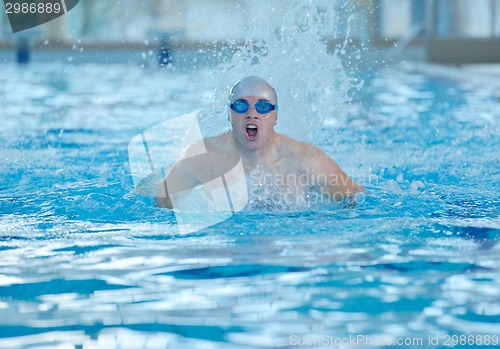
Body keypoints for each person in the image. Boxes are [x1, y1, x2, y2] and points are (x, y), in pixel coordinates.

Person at [154, 75, 363, 209]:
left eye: (263, 107)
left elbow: (356, 199)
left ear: (275, 117)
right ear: (230, 115)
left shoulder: (306, 161)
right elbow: (162, 202)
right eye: (241, 106)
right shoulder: (202, 157)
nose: (252, 114)